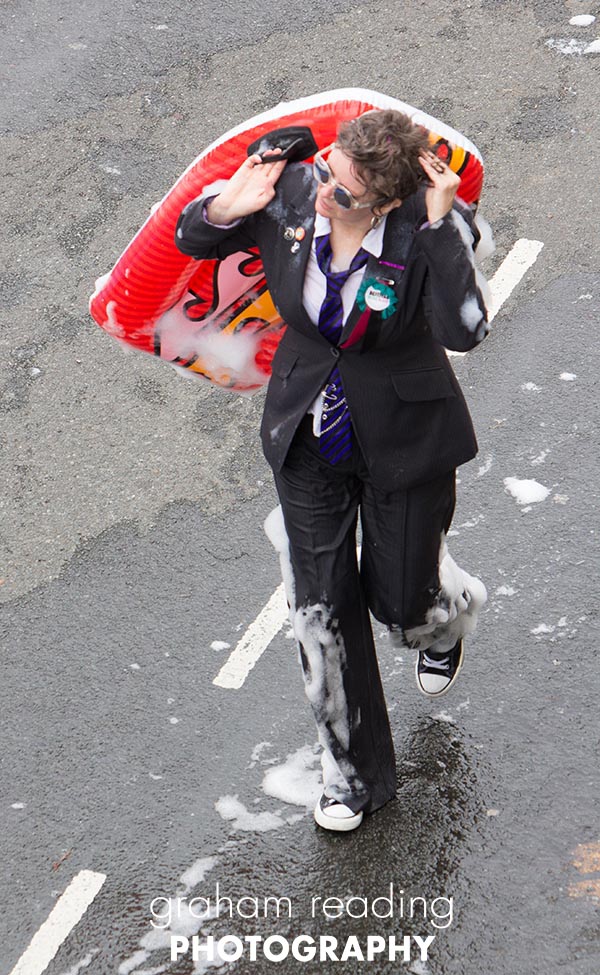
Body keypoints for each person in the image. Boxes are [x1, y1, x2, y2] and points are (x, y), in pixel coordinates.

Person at [175, 109, 489, 832]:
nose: (324, 194)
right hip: (309, 431)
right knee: (320, 608)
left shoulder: (429, 225)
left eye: (344, 193)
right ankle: (353, 777)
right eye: (327, 173)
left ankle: (442, 615)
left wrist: (443, 230)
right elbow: (193, 237)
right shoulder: (290, 190)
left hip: (405, 438)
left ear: (384, 201)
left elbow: (465, 329)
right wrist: (229, 204)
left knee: (398, 605)